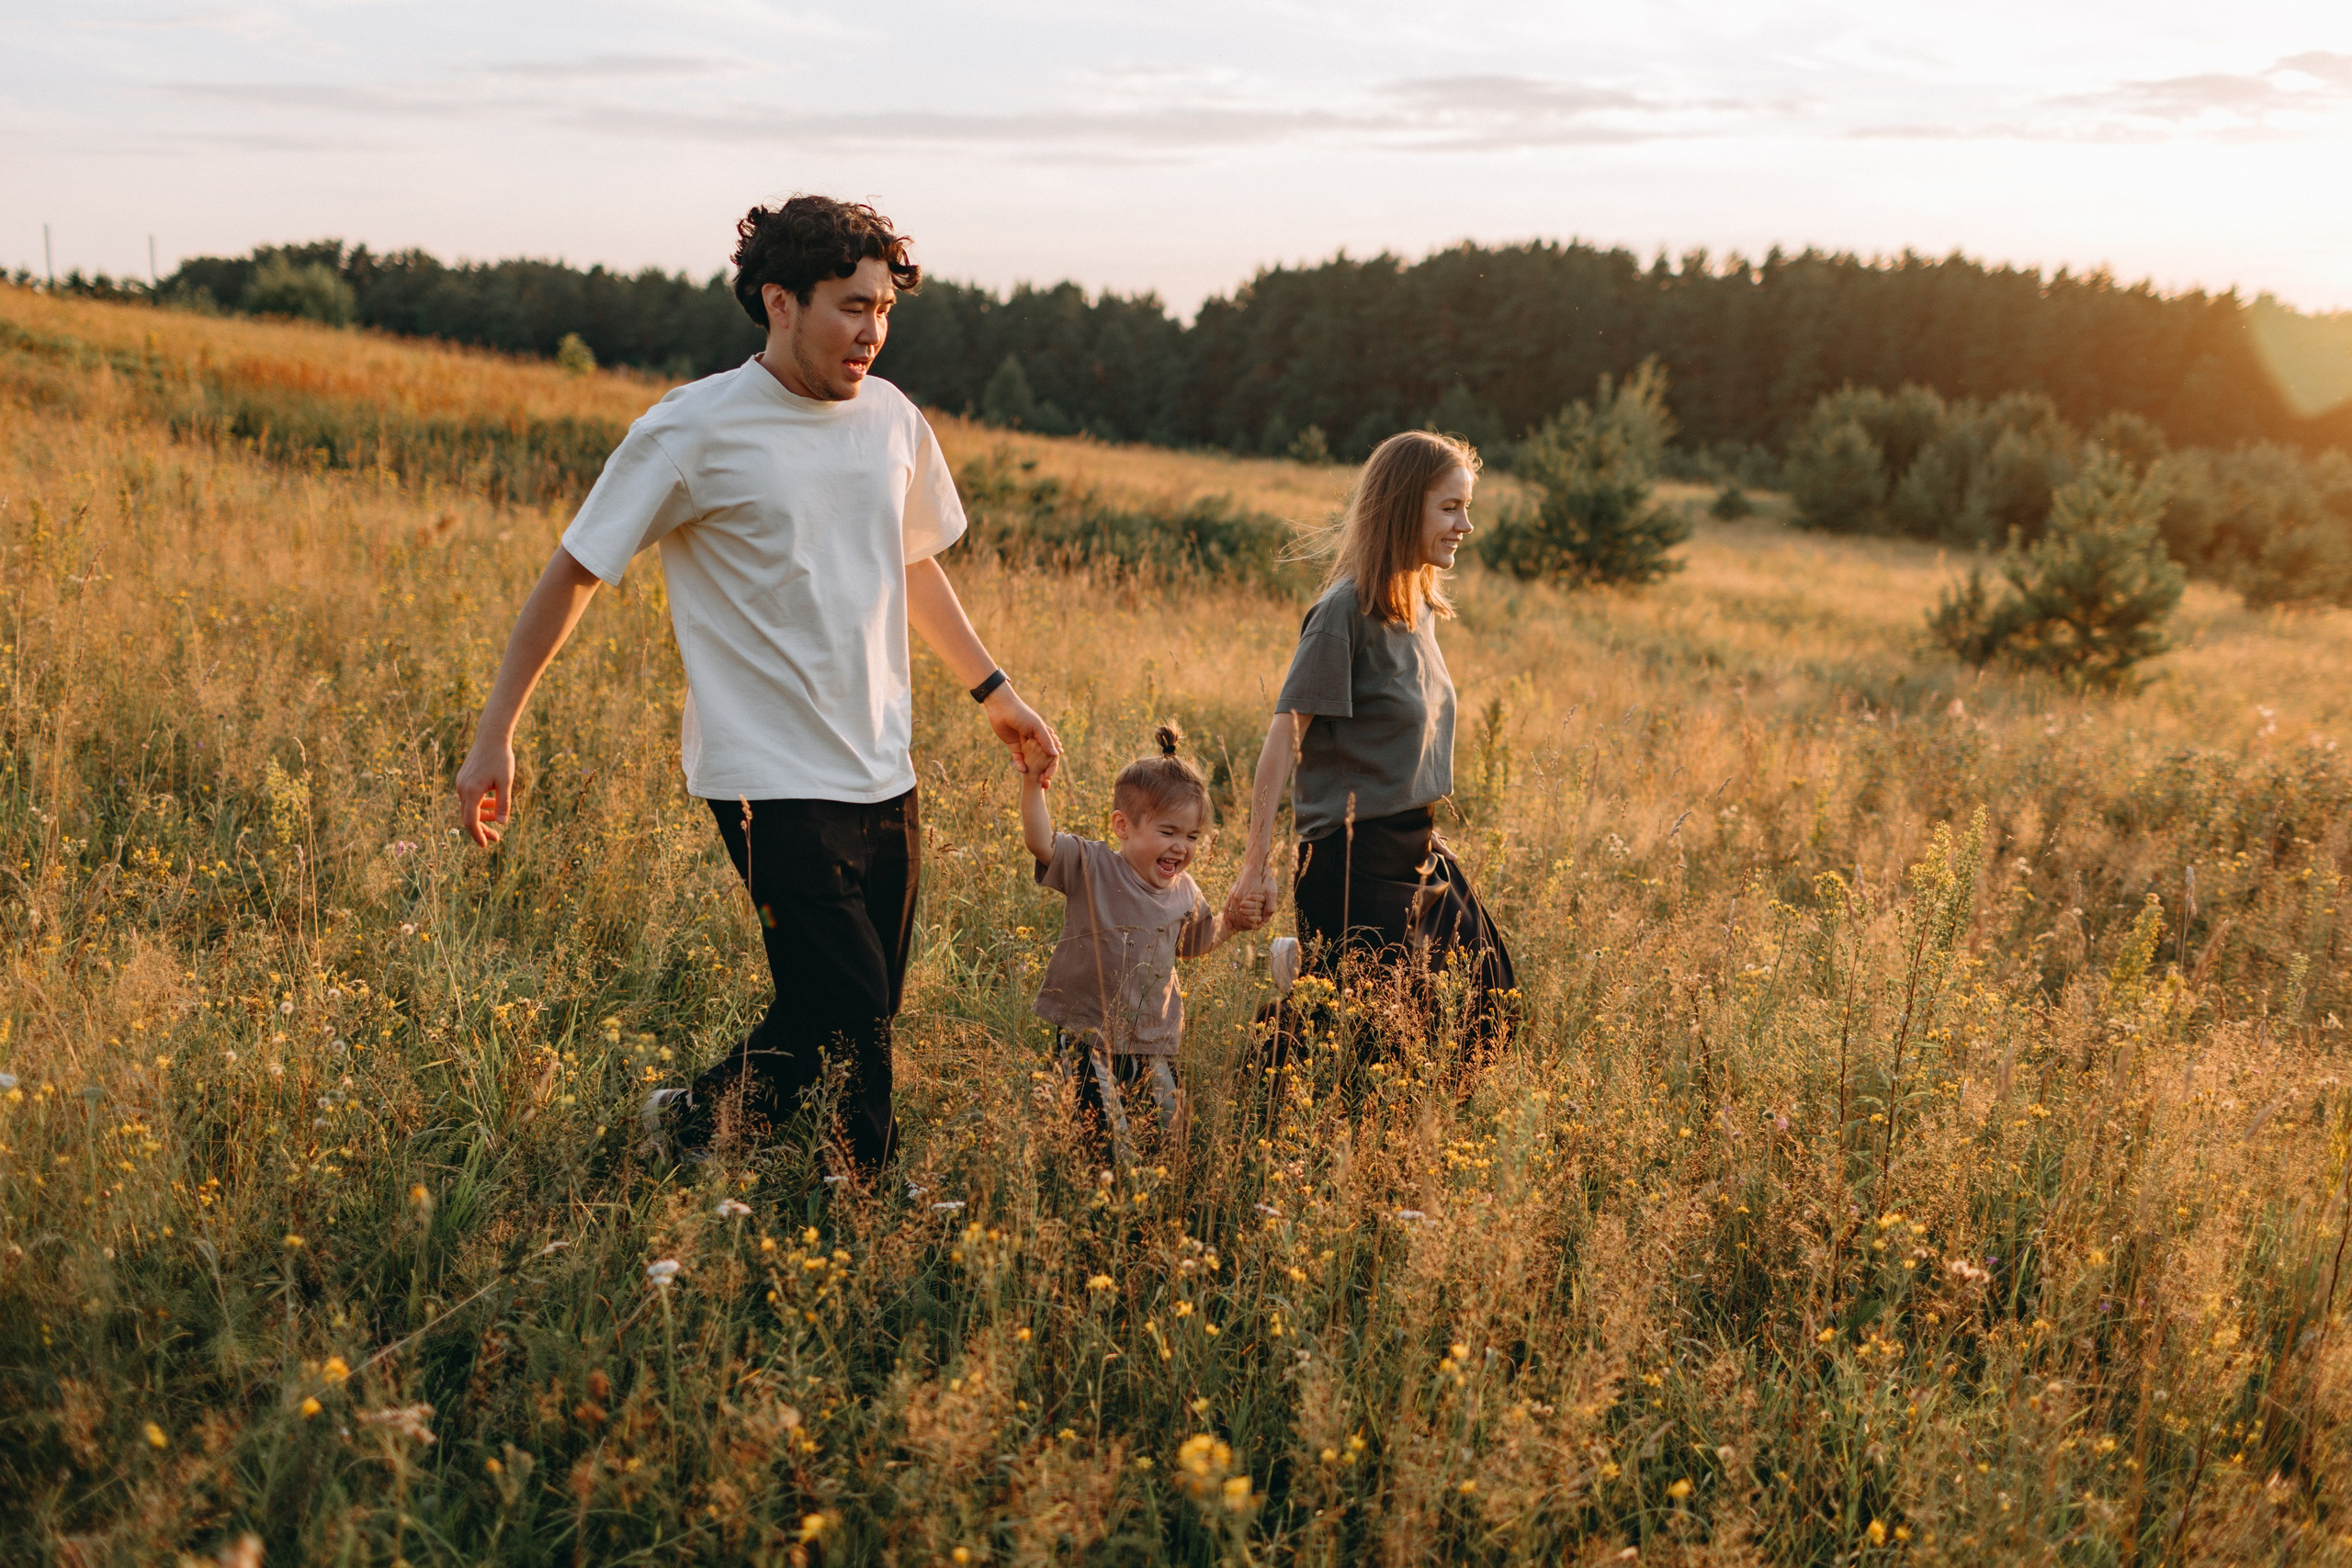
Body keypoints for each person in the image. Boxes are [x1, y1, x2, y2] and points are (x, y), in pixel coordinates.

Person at [452, 196, 1060, 1175]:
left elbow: (908, 562)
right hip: (764, 777)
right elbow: (574, 571)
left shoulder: (893, 421)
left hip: (882, 763)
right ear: (781, 302)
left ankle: (689, 1126)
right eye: (850, 306)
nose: (872, 331)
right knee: (851, 1005)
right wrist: (497, 733)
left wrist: (995, 691)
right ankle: (868, 1199)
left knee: (851, 1007)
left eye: (884, 309)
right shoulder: (693, 428)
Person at [1233, 429, 1514, 1025]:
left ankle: (1307, 973)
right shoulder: (1343, 611)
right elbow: (1283, 739)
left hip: (1413, 846)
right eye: (1450, 507)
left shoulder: (1418, 606)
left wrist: (1420, 829)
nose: (1465, 525)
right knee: (1372, 1035)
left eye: (1467, 507)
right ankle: (1284, 1022)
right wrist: (1255, 865)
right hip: (1350, 860)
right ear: (1403, 507)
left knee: (1490, 1000)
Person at [1021, 723, 1261, 1164]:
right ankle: (1101, 1196)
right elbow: (1039, 842)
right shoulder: (1090, 865)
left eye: (1192, 837)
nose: (1181, 848)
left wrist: (1231, 924)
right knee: (1105, 1146)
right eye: (1168, 832)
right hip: (1087, 1034)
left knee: (1167, 1137)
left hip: (1154, 1037)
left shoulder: (1185, 891)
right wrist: (1033, 782)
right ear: (1123, 826)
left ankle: (1155, 1195)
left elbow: (1192, 944)